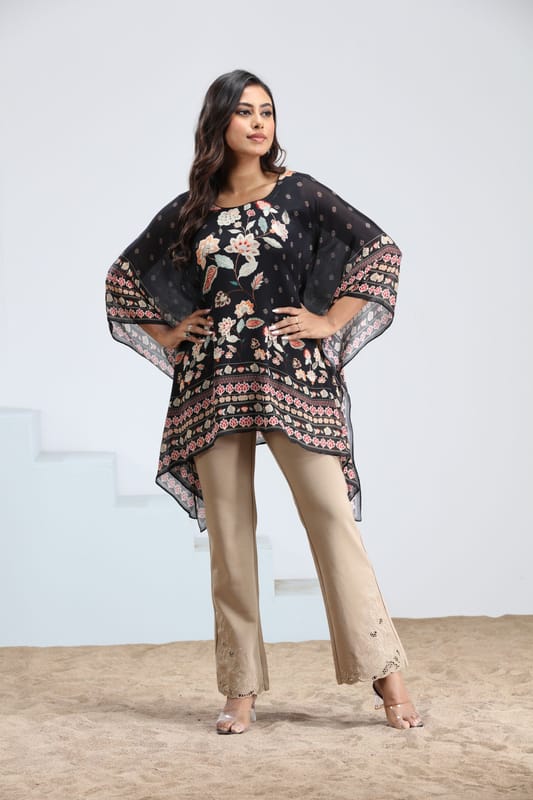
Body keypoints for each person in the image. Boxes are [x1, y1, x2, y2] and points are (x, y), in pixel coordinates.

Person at [105, 69, 423, 734]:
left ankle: (387, 673)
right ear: (219, 121)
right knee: (230, 535)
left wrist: (329, 320)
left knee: (331, 519)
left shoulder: (300, 192)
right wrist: (170, 332)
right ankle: (240, 687)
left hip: (292, 376)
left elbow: (379, 250)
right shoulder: (191, 211)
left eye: (267, 112)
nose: (258, 123)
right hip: (214, 381)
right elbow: (124, 278)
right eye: (245, 111)